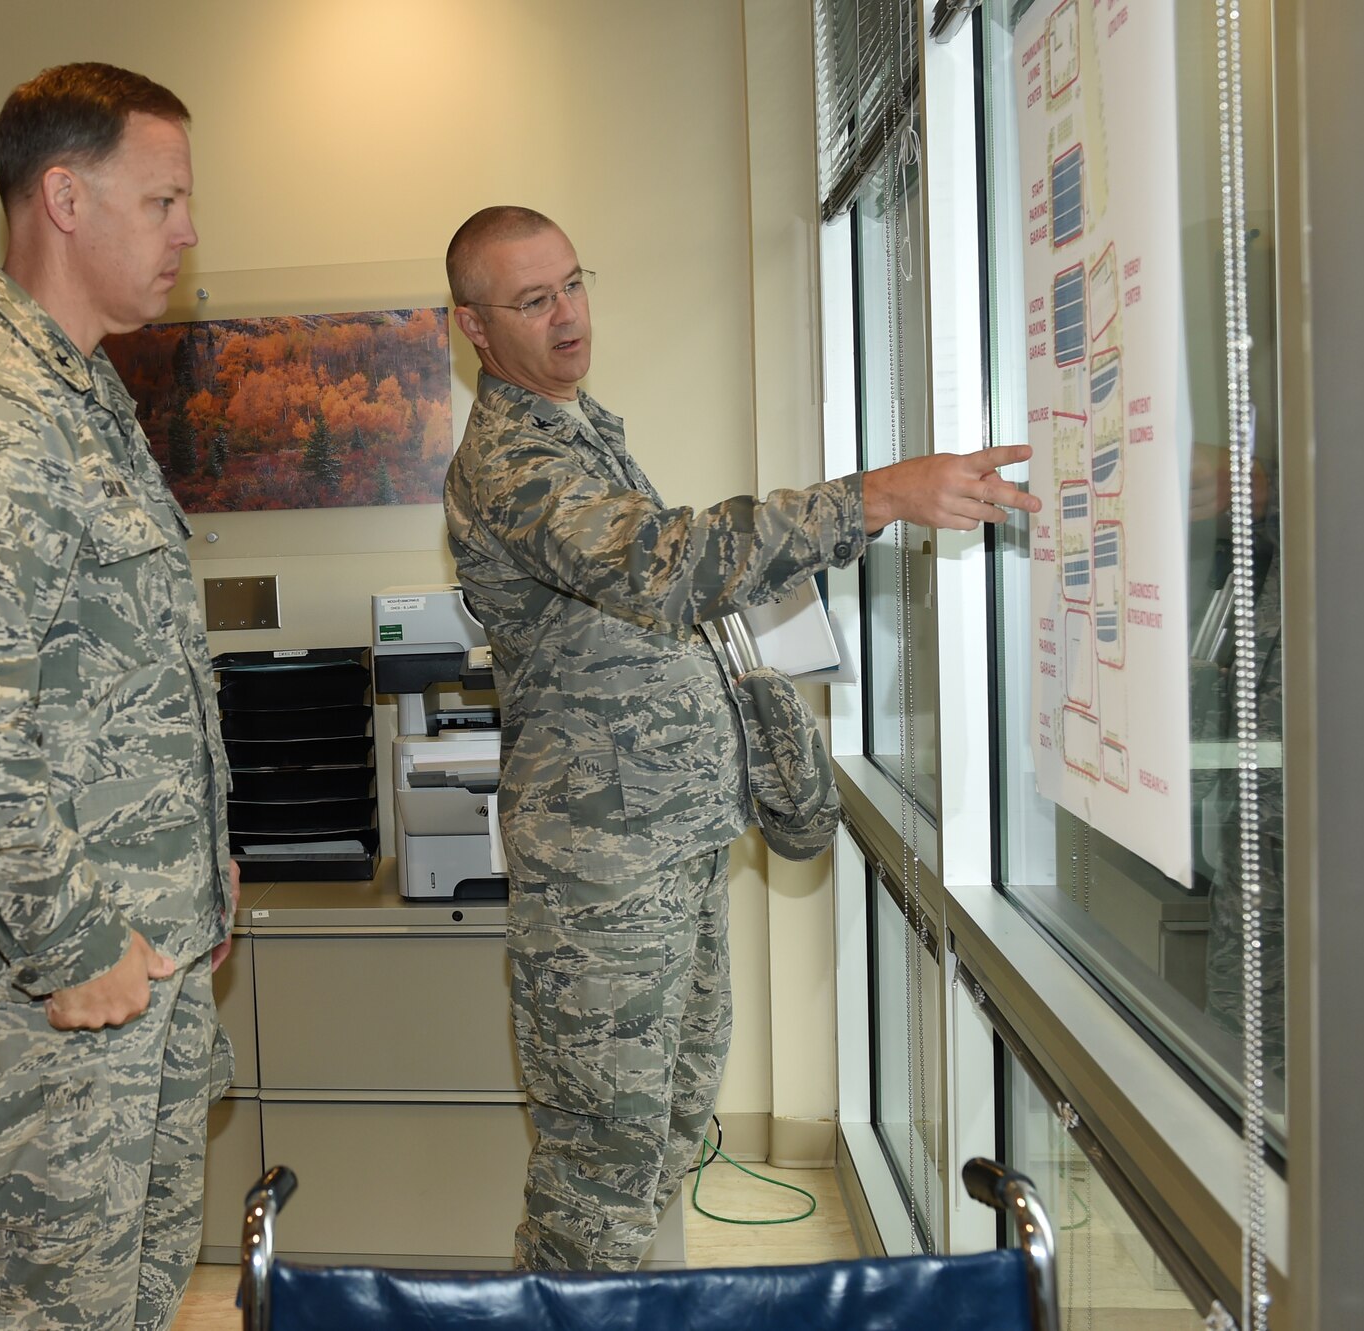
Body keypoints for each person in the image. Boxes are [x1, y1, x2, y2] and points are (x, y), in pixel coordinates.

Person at [441, 206, 1040, 1271]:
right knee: (596, 1179)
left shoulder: (585, 430)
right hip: (600, 878)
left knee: (664, 1138)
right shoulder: (510, 458)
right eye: (531, 301)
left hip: (668, 851)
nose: (567, 314)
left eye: (572, 282)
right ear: (471, 328)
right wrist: (876, 496)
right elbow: (663, 562)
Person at [0, 63, 235, 1331]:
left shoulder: (84, 395)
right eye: (165, 200)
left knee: (127, 1298)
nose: (187, 232)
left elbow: (131, 672)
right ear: (65, 198)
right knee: (39, 1307)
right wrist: (70, 940)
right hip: (55, 984)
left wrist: (202, 871)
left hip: (144, 946)